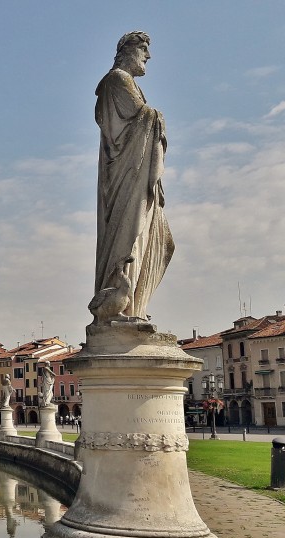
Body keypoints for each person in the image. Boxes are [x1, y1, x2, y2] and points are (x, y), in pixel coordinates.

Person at [93, 31, 174, 323]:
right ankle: (122, 308)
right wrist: (156, 116)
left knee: (159, 242)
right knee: (130, 238)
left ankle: (135, 307)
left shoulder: (127, 83)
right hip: (127, 175)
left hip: (136, 173)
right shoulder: (117, 80)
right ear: (127, 51)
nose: (148, 56)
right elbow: (136, 122)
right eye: (143, 49)